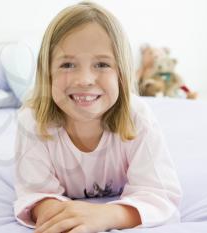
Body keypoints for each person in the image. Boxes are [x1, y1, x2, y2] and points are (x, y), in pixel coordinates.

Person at [13, 2, 182, 232]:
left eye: (102, 64)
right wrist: (62, 217)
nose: (84, 79)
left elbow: (159, 195)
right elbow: (35, 194)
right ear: (47, 73)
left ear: (121, 74)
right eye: (68, 64)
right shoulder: (33, 122)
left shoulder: (137, 117)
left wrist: (105, 215)